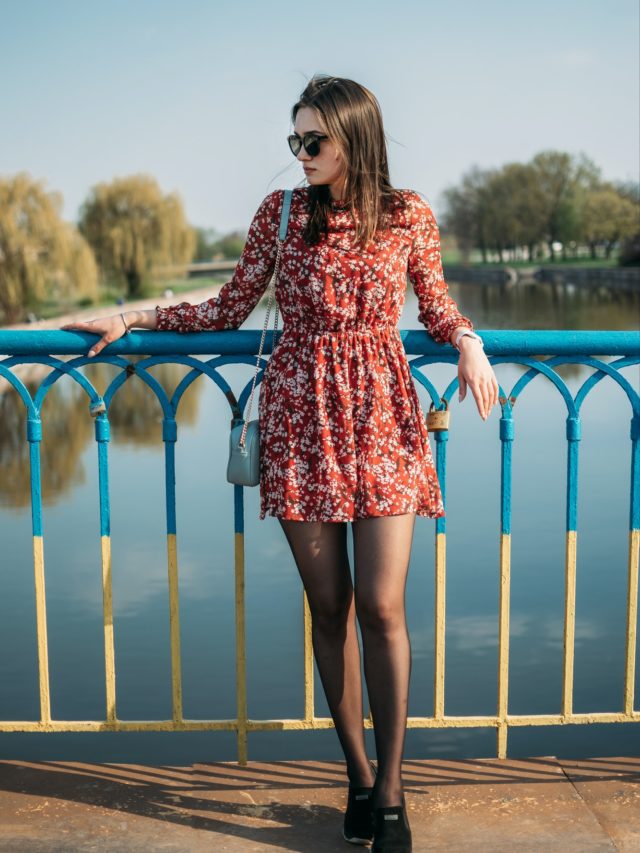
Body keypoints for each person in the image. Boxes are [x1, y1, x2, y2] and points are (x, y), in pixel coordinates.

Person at [62, 74, 499, 852]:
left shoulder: (407, 215)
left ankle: (394, 792)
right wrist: (133, 317)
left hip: (383, 417)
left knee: (384, 608)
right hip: (302, 418)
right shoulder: (284, 212)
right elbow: (227, 305)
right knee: (328, 606)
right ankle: (359, 780)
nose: (300, 154)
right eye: (294, 140)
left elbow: (433, 305)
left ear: (353, 138)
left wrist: (467, 338)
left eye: (314, 141)